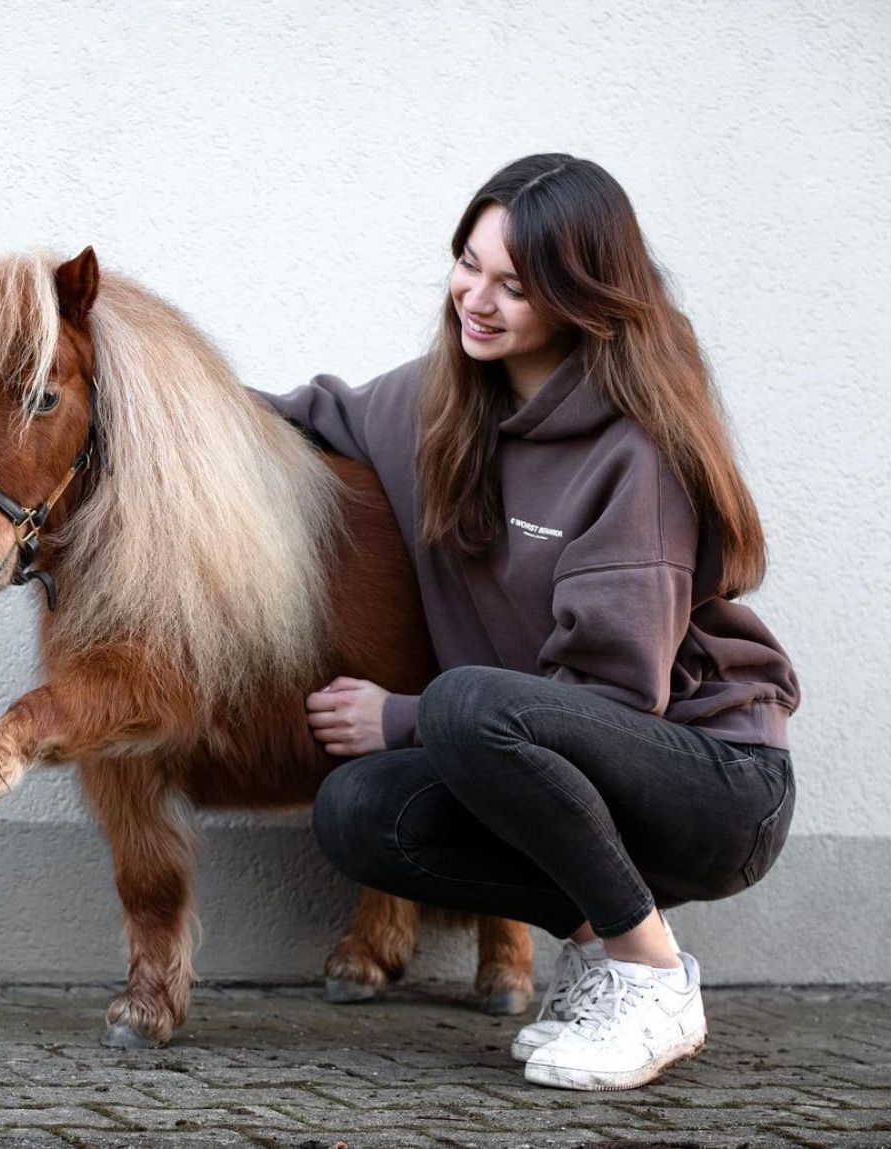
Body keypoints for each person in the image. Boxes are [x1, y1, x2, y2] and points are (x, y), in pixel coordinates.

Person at [253, 153, 800, 1092]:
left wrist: (403, 715)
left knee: (461, 705)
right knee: (359, 814)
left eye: (516, 285)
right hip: (569, 769)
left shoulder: (636, 450)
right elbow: (310, 415)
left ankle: (654, 980)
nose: (478, 298)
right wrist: (139, 394)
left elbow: (616, 697)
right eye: (470, 263)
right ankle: (602, 953)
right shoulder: (445, 401)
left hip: (716, 783)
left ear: (583, 300)